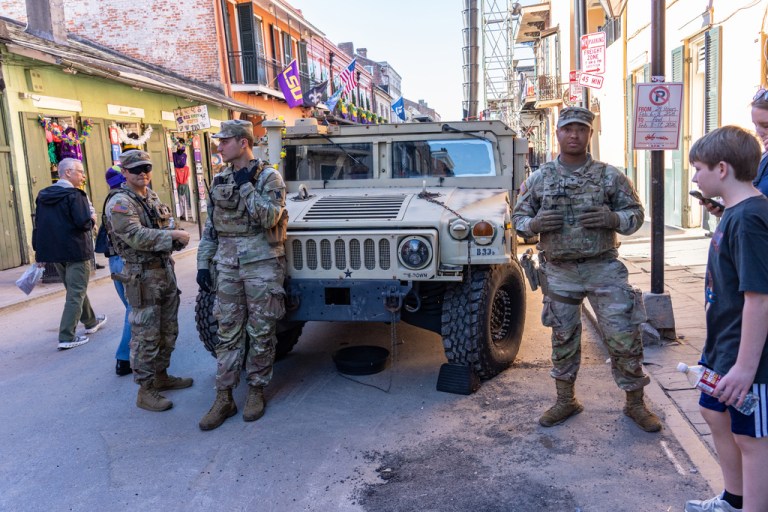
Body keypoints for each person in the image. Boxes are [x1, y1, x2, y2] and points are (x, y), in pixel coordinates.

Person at [512, 106, 661, 433]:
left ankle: (635, 403)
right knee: (563, 337)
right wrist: (535, 224)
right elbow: (518, 219)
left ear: (589, 134)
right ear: (558, 133)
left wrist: (613, 219)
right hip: (559, 272)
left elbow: (636, 214)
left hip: (603, 268)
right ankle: (566, 400)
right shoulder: (539, 179)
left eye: (581, 129)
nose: (574, 135)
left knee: (623, 336)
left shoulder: (610, 176)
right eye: (568, 129)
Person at [684, 126, 768, 512]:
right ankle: (735, 500)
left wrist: (745, 369)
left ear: (721, 169)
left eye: (698, 169)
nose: (694, 178)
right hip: (723, 346)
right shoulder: (736, 213)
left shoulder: (749, 218)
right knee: (712, 410)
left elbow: (759, 299)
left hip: (747, 357)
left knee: (752, 440)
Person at [196, 119, 288, 431]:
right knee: (227, 331)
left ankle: (256, 390)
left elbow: (269, 218)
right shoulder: (220, 178)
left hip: (262, 264)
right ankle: (224, 396)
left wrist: (246, 185)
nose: (219, 147)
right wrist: (203, 263)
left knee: (261, 331)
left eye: (224, 141)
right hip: (227, 265)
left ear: (242, 142)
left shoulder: (268, 177)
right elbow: (211, 227)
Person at [105, 150, 192, 412]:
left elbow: (164, 224)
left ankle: (161, 376)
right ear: (124, 173)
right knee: (146, 334)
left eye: (146, 168)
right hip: (142, 276)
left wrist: (174, 236)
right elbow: (135, 236)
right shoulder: (120, 202)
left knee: (168, 329)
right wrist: (172, 236)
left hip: (164, 270)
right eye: (136, 170)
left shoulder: (150, 196)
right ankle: (145, 391)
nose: (143, 173)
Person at [33, 157, 107, 350]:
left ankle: (90, 321)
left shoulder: (43, 195)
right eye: (80, 172)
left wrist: (39, 252)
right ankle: (67, 335)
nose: (83, 176)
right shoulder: (75, 195)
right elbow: (83, 223)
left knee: (75, 290)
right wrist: (92, 219)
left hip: (56, 253)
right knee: (75, 293)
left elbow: (38, 226)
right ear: (68, 172)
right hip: (76, 251)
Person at [104, 164, 132, 376]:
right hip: (123, 260)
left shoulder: (112, 199)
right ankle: (124, 358)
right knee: (135, 310)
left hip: (116, 260)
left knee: (132, 309)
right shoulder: (120, 201)